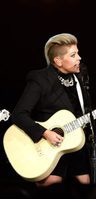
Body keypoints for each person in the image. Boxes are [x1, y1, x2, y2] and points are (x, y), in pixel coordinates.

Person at [11, 33, 91, 187]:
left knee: (84, 183)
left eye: (78, 53)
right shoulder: (40, 79)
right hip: (48, 146)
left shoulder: (79, 78)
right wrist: (45, 133)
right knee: (52, 185)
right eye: (73, 55)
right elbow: (19, 115)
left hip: (75, 142)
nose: (79, 58)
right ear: (58, 60)